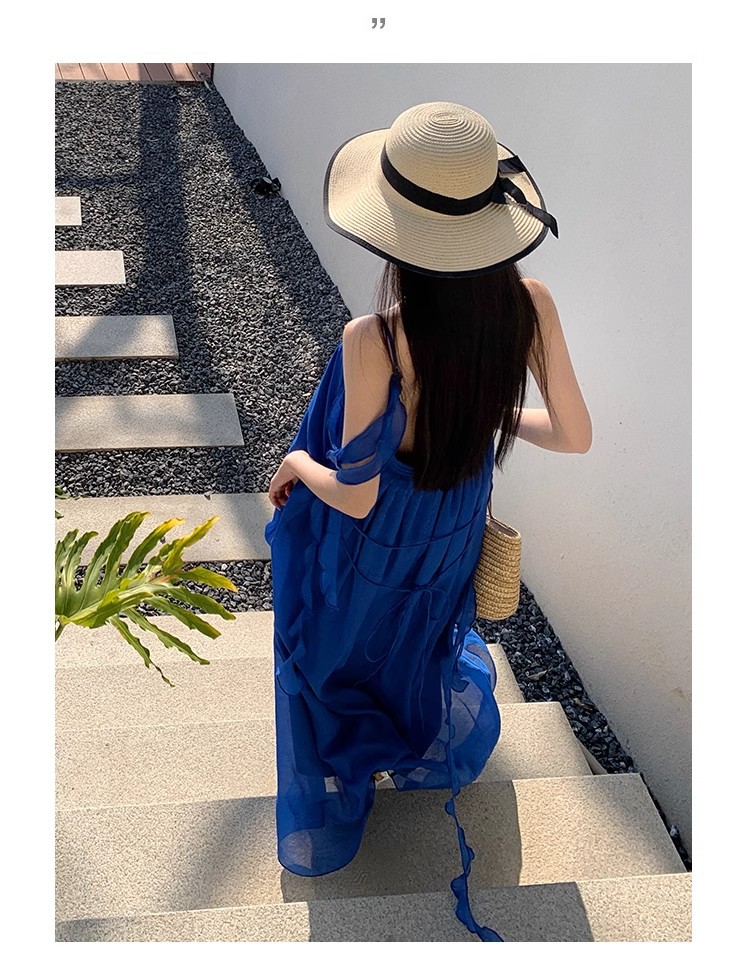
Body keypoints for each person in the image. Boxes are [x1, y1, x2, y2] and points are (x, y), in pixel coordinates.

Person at [264, 101, 592, 942]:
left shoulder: (373, 338)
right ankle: (404, 741)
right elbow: (575, 435)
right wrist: (483, 410)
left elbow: (356, 493)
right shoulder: (530, 304)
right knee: (417, 636)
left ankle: (349, 765)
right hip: (454, 521)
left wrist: (297, 463)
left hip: (383, 532)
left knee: (338, 646)